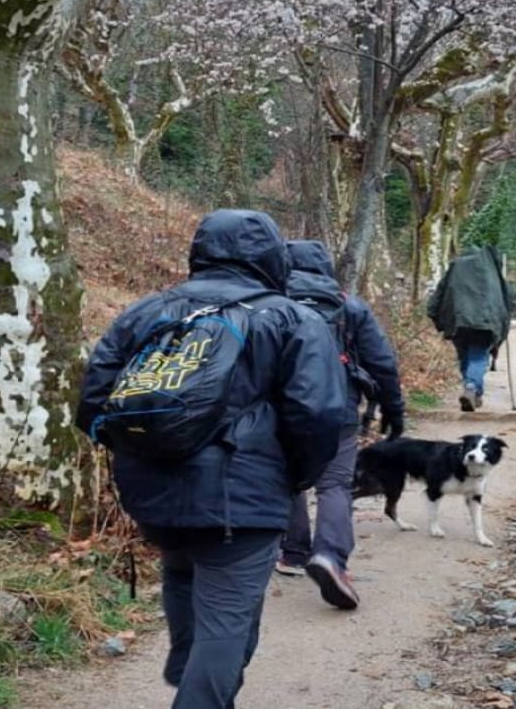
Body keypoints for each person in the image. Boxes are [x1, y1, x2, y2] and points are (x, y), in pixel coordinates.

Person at [77, 210, 346, 709]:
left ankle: (189, 674)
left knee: (182, 573)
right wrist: (295, 479)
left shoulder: (145, 312)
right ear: (270, 257)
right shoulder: (295, 319)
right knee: (229, 617)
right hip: (243, 499)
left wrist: (146, 453)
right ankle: (200, 692)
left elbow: (93, 404)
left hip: (153, 491)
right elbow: (319, 414)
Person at [276, 239, 407, 609]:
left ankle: (293, 553)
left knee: (289, 480)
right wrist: (393, 412)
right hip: (338, 408)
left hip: (282, 409)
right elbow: (382, 363)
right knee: (334, 483)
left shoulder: (270, 302)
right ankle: (330, 556)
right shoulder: (349, 305)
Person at [426, 245, 512, 412]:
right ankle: (472, 388)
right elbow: (508, 299)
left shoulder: (456, 266)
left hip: (458, 321)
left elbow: (440, 291)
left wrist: (434, 314)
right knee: (478, 357)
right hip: (486, 323)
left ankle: (473, 392)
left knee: (464, 356)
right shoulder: (493, 272)